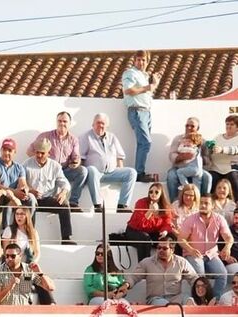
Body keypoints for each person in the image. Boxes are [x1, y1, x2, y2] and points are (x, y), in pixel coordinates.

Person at [28, 111, 87, 212]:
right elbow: (29, 151)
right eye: (59, 121)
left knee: (83, 171)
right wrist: (42, 160)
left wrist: (76, 162)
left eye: (65, 121)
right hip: (49, 170)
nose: (62, 123)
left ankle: (73, 202)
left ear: (69, 124)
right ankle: (45, 201)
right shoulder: (45, 136)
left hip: (65, 170)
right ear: (56, 122)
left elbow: (76, 156)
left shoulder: (73, 139)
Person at [177, 194, 233, 299]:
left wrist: (227, 247)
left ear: (212, 206)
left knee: (223, 274)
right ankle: (199, 301)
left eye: (206, 203)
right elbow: (180, 239)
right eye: (201, 203)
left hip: (211, 254)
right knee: (200, 277)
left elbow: (229, 238)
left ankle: (214, 299)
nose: (203, 205)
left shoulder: (219, 219)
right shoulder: (191, 219)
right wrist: (191, 249)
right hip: (193, 254)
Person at [79, 113, 136, 213]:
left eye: (103, 123)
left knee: (131, 172)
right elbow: (81, 158)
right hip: (95, 173)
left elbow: (120, 156)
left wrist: (121, 169)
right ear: (93, 124)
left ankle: (122, 205)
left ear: (107, 126)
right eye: (98, 123)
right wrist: (82, 177)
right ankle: (97, 205)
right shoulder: (86, 137)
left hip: (112, 172)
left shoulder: (112, 137)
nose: (101, 125)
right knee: (91, 169)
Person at [23, 137, 74, 244]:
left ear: (48, 153)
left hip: (47, 199)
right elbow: (21, 183)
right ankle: (29, 237)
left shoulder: (55, 166)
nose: (39, 155)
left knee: (64, 204)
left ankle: (66, 238)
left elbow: (64, 183)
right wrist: (31, 190)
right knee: (30, 201)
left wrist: (63, 193)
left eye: (42, 153)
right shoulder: (26, 164)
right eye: (37, 152)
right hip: (31, 199)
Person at [121, 50, 160, 183]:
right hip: (137, 111)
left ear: (147, 62)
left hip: (146, 112)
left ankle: (139, 172)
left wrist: (154, 83)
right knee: (145, 142)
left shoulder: (143, 75)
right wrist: (149, 86)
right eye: (138, 59)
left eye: (143, 60)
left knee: (142, 143)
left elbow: (149, 90)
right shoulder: (130, 73)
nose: (141, 62)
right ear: (134, 60)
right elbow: (128, 90)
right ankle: (139, 172)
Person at [127, 237, 197, 305]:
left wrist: (202, 288)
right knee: (164, 305)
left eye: (164, 248)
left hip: (176, 297)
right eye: (159, 248)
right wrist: (127, 284)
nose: (161, 250)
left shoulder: (181, 262)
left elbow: (194, 278)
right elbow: (134, 277)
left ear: (172, 250)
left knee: (189, 300)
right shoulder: (147, 262)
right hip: (155, 299)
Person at [0, 138, 35, 226]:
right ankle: (5, 232)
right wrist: (14, 192)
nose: (6, 153)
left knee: (31, 197)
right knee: (9, 202)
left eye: (9, 150)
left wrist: (24, 190)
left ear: (15, 152)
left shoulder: (19, 167)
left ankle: (29, 227)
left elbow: (22, 183)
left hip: (15, 197)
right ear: (1, 150)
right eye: (4, 150)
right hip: (0, 198)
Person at [0, 242, 56, 306]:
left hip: (24, 312)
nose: (9, 259)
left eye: (13, 256)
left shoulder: (29, 270)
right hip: (6, 312)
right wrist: (9, 287)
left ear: (20, 256)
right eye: (7, 256)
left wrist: (40, 273)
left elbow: (50, 288)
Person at [125, 183, 175, 261]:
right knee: (145, 239)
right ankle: (144, 268)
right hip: (134, 231)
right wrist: (150, 211)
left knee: (171, 237)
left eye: (156, 192)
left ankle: (172, 266)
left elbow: (168, 221)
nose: (153, 194)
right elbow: (141, 225)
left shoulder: (165, 206)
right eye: (151, 192)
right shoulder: (141, 203)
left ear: (161, 193)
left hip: (152, 232)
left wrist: (164, 231)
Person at [166, 118, 213, 200]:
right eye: (187, 125)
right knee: (171, 176)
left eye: (192, 126)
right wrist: (182, 157)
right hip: (179, 167)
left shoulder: (202, 141)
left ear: (198, 128)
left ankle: (202, 202)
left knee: (208, 177)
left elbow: (208, 158)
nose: (189, 128)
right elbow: (171, 155)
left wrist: (196, 157)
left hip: (195, 167)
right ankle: (174, 204)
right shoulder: (178, 139)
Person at [208, 114, 238, 199]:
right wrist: (210, 149)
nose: (228, 126)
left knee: (234, 178)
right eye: (227, 124)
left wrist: (222, 150)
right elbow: (211, 148)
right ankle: (210, 203)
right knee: (210, 180)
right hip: (216, 168)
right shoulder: (218, 137)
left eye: (232, 124)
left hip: (231, 168)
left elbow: (236, 150)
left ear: (237, 127)